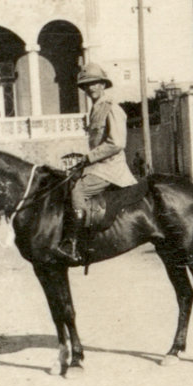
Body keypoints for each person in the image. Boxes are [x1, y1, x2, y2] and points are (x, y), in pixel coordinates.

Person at [54, 63, 138, 263]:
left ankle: (73, 244)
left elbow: (117, 143)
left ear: (103, 84)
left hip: (110, 168)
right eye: (87, 85)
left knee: (77, 191)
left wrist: (89, 158)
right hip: (99, 166)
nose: (91, 88)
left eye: (95, 83)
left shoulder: (111, 108)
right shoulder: (96, 109)